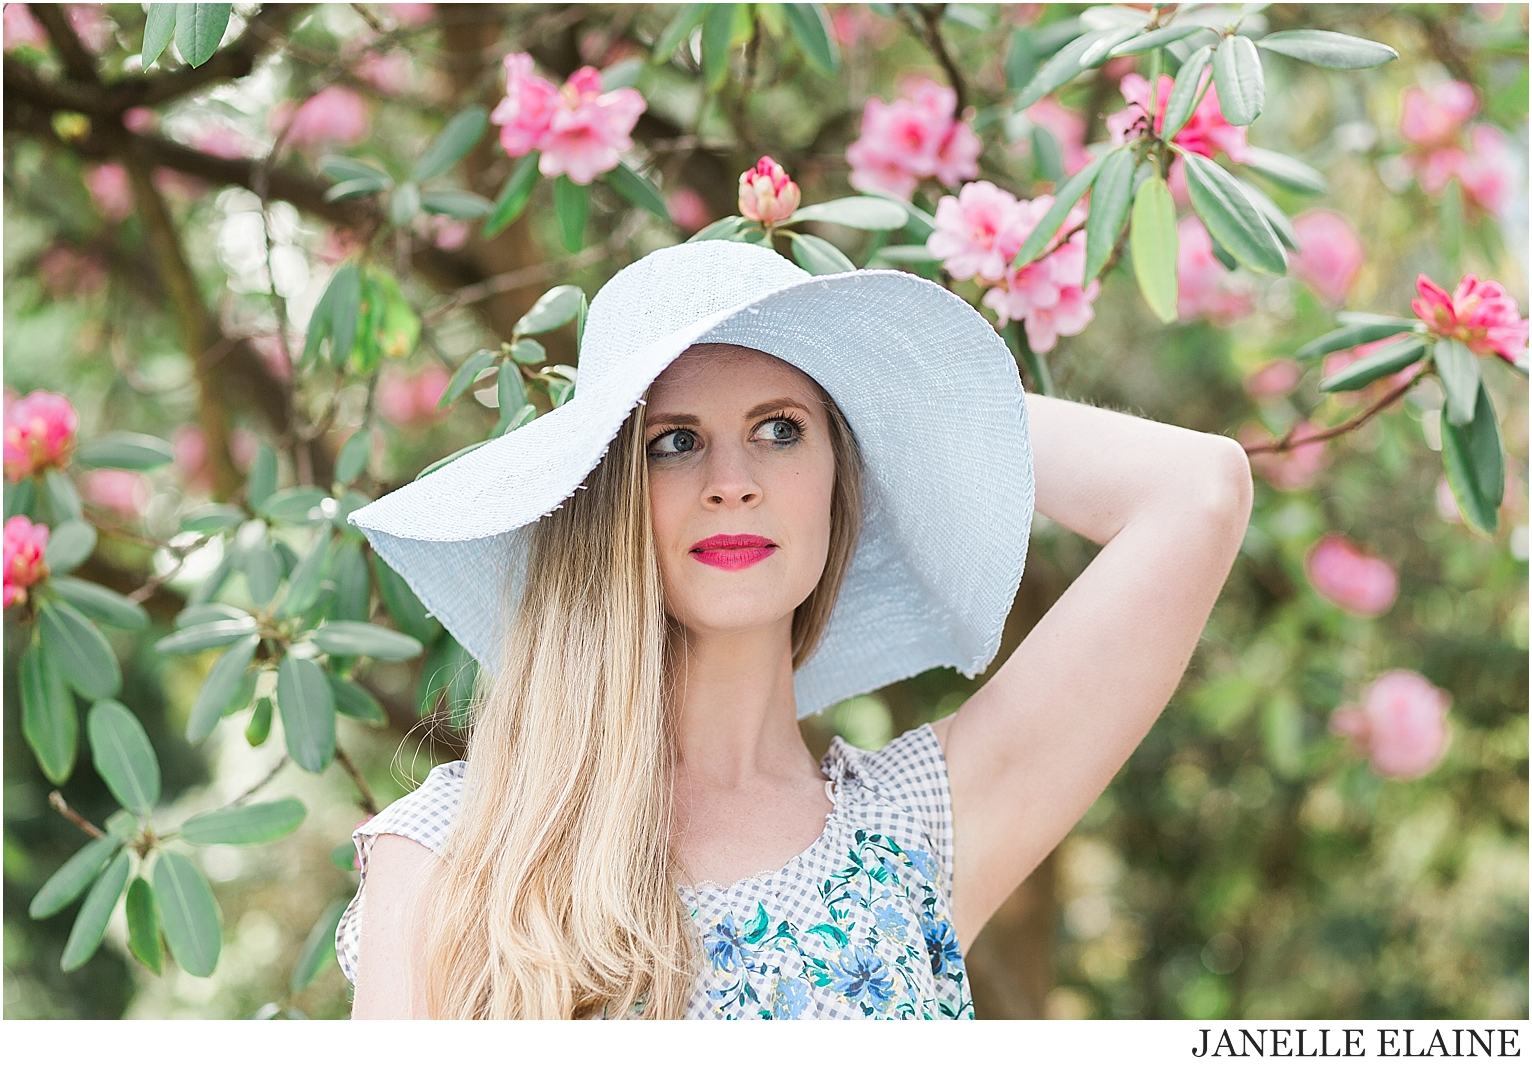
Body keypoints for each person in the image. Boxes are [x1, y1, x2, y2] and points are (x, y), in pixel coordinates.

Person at [335, 240, 1252, 1019]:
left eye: (780, 430)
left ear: (836, 481)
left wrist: (899, 402)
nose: (733, 480)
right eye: (673, 441)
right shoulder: (464, 846)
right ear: (607, 504)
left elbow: (1197, 490)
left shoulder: (914, 832)